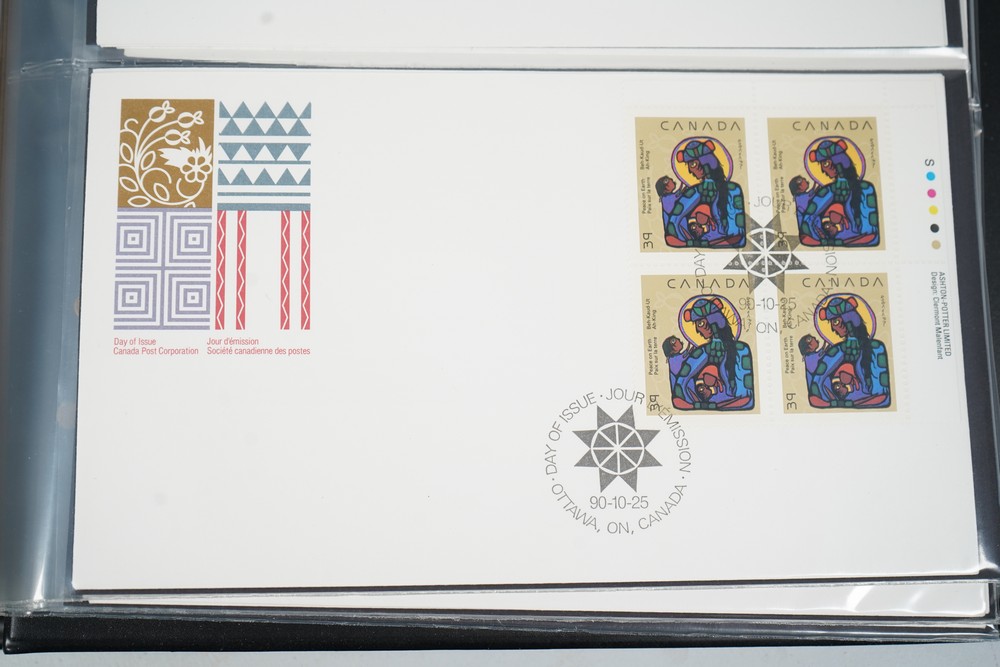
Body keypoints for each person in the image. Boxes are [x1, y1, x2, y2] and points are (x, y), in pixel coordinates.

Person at [665, 297, 754, 410]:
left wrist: (703, 406)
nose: (706, 325)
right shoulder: (700, 353)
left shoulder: (741, 350)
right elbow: (678, 395)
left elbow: (746, 399)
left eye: (710, 320)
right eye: (700, 323)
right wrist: (708, 404)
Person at [657, 139, 746, 248]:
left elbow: (738, 237)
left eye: (703, 160)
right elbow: (671, 235)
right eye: (692, 164)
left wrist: (697, 243)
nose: (698, 167)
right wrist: (700, 243)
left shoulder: (733, 190)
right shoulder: (692, 192)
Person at [790, 138, 879, 247]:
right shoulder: (826, 191)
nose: (825, 169)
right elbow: (805, 233)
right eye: (824, 164)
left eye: (826, 163)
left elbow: (871, 236)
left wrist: (830, 242)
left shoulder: (866, 189)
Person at [806, 295, 891, 408]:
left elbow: (883, 398)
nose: (834, 327)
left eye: (836, 321)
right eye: (834, 322)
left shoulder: (876, 348)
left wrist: (840, 404)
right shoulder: (836, 351)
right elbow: (814, 393)